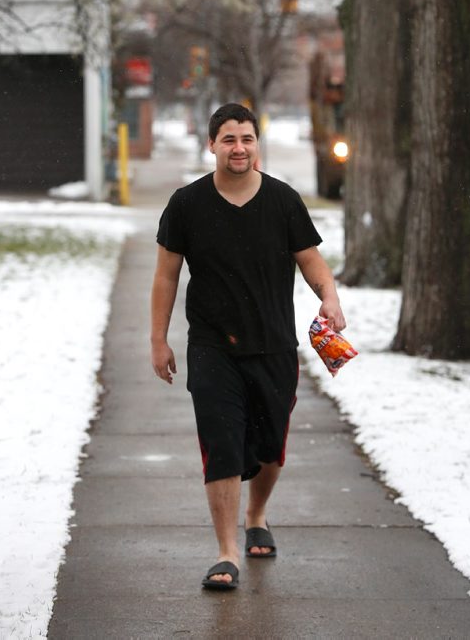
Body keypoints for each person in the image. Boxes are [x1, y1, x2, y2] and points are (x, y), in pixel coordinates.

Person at [151, 102, 345, 591]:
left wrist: (330, 296)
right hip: (213, 346)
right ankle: (225, 552)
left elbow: (310, 259)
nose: (239, 148)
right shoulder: (186, 204)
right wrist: (159, 339)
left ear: (257, 144)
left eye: (247, 139)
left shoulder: (283, 201)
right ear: (212, 145)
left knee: (269, 447)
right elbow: (165, 277)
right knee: (221, 444)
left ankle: (257, 513)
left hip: (274, 343)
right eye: (229, 139)